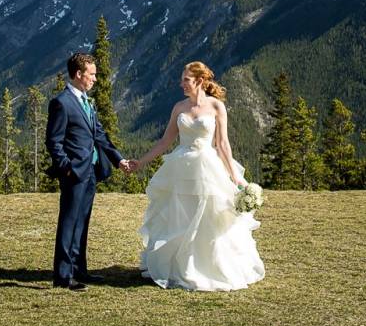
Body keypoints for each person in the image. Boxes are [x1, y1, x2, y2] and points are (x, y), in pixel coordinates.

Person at [125, 61, 265, 291]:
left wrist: (235, 177)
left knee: (209, 216)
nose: (181, 84)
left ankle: (208, 266)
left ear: (200, 81)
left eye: (186, 80)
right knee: (182, 215)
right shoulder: (179, 108)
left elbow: (222, 145)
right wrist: (141, 162)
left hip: (207, 166)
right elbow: (165, 141)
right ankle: (180, 267)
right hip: (180, 168)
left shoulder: (217, 107)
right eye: (182, 80)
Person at [46, 51, 129, 291]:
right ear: (79, 74)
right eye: (92, 74)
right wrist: (67, 169)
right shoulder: (61, 102)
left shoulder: (86, 101)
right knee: (69, 222)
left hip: (90, 170)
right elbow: (54, 142)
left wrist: (119, 160)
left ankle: (79, 269)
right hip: (74, 172)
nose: (95, 79)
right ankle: (63, 276)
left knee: (82, 222)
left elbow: (99, 134)